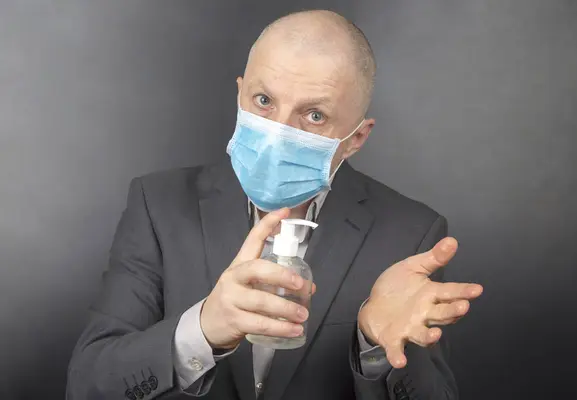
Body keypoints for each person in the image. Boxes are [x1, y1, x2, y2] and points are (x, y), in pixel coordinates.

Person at [67, 9, 483, 400]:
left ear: (356, 138)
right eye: (263, 101)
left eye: (314, 115)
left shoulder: (410, 234)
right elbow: (87, 385)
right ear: (239, 95)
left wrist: (374, 346)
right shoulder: (158, 205)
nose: (277, 132)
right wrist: (203, 329)